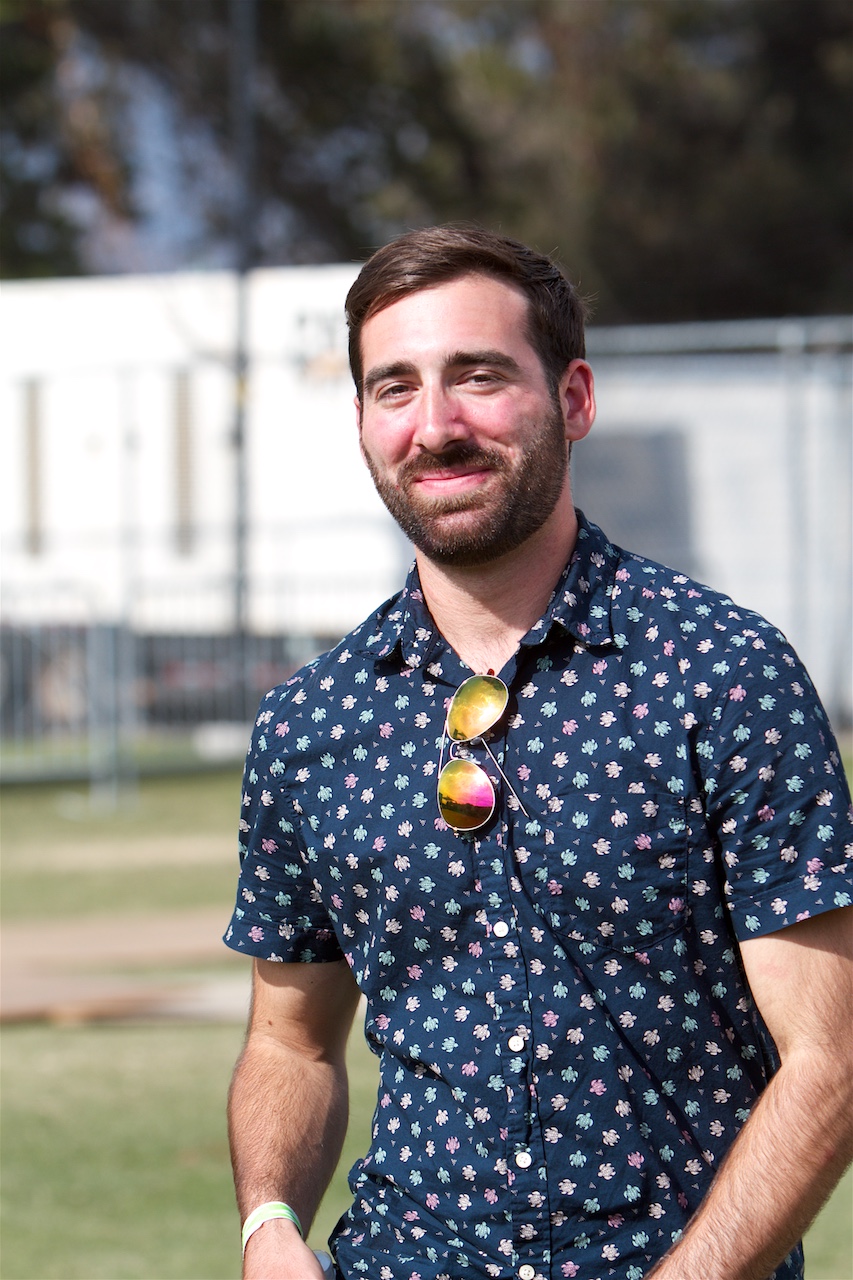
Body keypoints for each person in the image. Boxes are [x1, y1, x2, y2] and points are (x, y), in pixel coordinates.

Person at [224, 226, 853, 1280]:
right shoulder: (309, 723)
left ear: (573, 399)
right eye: (394, 388)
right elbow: (289, 1041)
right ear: (363, 422)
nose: (436, 425)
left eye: (478, 377)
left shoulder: (721, 673)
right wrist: (269, 1222)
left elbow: (830, 1057)